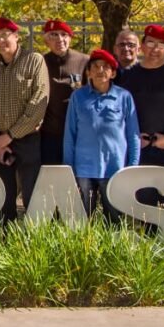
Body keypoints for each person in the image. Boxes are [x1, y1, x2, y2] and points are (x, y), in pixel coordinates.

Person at [0, 16, 50, 223]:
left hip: (27, 139)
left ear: (16, 36)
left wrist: (10, 135)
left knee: (31, 195)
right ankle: (4, 236)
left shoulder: (34, 60)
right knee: (2, 196)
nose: (0, 41)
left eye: (4, 35)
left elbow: (39, 102)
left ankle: (33, 236)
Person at [116, 24, 164, 213]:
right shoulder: (129, 76)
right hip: (140, 147)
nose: (155, 49)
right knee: (144, 203)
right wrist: (134, 138)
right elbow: (120, 114)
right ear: (142, 46)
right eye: (150, 43)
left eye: (161, 45)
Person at [63, 49, 140, 222]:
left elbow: (133, 135)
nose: (100, 70)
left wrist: (132, 167)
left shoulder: (124, 97)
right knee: (82, 220)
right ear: (88, 72)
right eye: (95, 66)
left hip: (115, 167)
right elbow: (70, 134)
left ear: (113, 73)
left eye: (106, 67)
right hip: (84, 168)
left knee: (114, 220)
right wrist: (69, 168)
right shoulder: (78, 97)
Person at [40, 19, 88, 165]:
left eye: (64, 34)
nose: (60, 39)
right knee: (51, 173)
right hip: (49, 133)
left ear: (70, 38)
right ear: (46, 40)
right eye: (54, 35)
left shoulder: (84, 61)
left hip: (78, 132)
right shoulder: (40, 62)